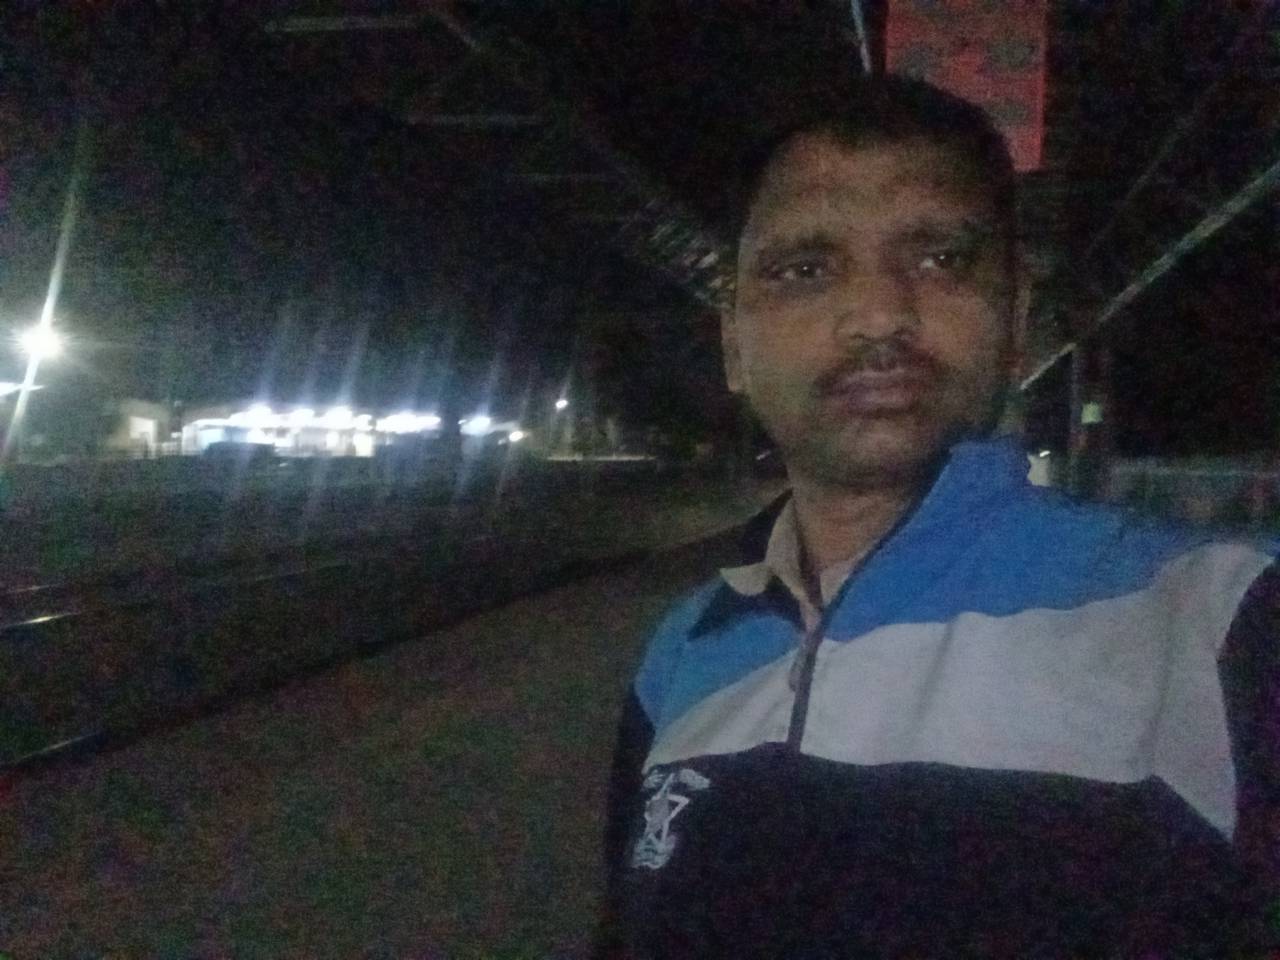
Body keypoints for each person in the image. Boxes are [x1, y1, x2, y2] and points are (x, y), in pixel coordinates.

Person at [594, 70, 1279, 958]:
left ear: (1017, 321)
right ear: (734, 343)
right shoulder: (685, 647)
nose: (878, 315)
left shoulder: (1221, 620)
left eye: (942, 260)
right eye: (805, 269)